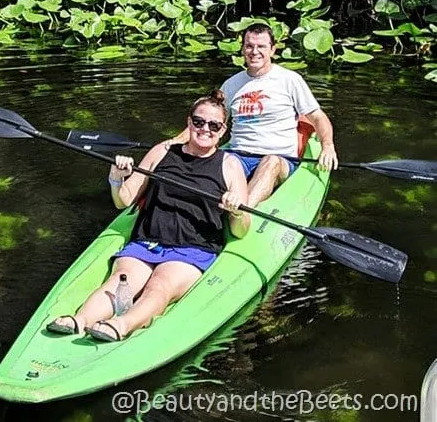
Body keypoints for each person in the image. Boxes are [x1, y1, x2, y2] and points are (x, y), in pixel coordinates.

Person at [46, 90, 250, 342]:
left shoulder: (229, 165)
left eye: (213, 125)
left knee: (159, 286)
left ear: (222, 130)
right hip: (147, 240)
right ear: (189, 122)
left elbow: (241, 229)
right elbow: (124, 200)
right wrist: (116, 177)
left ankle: (121, 325)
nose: (204, 128)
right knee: (120, 283)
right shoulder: (163, 151)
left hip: (193, 247)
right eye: (198, 122)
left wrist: (237, 211)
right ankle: (81, 320)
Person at [171, 23, 338, 206]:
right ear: (242, 49)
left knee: (270, 162)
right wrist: (174, 143)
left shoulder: (290, 80)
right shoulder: (231, 85)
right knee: (207, 167)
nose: (254, 51)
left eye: (261, 46)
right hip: (236, 155)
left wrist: (327, 146)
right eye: (249, 46)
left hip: (279, 158)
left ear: (272, 49)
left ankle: (241, 210)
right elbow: (208, 123)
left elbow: (318, 117)